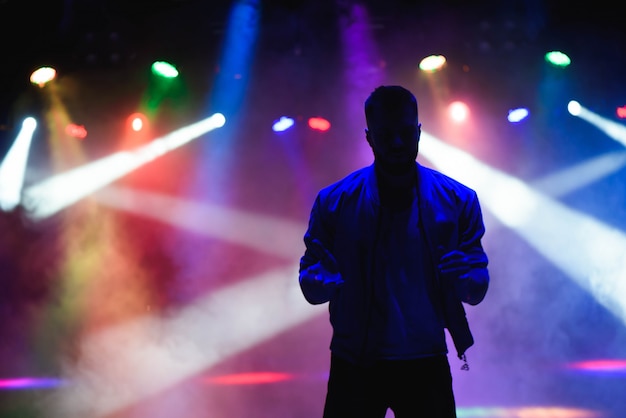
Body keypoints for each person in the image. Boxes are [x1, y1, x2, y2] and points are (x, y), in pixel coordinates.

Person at [298, 85, 490, 418]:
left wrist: (467, 279)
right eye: (387, 135)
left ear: (418, 132)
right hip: (355, 361)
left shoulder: (459, 201)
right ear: (370, 137)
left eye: (404, 133)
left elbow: (476, 289)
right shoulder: (333, 203)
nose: (398, 143)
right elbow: (310, 287)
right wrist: (317, 283)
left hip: (423, 360)